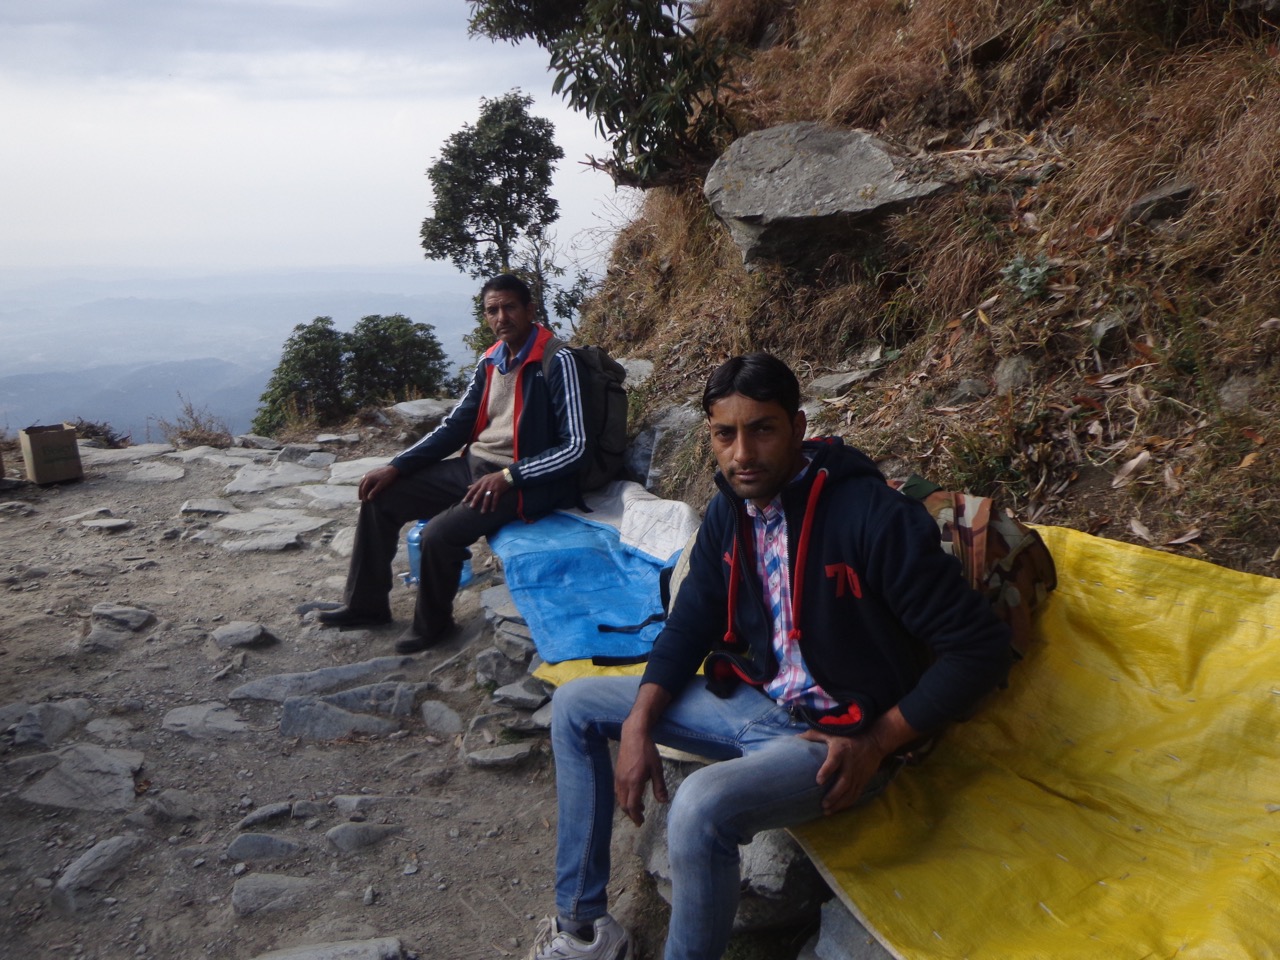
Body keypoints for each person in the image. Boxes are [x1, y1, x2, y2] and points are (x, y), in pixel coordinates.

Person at [529, 353, 1012, 960]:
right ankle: (583, 928)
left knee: (699, 808)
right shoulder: (732, 512)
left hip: (837, 738)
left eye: (762, 429)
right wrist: (638, 723)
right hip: (756, 702)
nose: (742, 454)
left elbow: (978, 649)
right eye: (724, 434)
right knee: (575, 704)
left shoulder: (870, 517)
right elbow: (691, 622)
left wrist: (879, 742)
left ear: (798, 427)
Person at [317, 273, 586, 654]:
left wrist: (511, 475)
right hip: (476, 467)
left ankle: (434, 625)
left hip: (522, 482)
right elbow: (456, 424)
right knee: (381, 497)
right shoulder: (492, 360)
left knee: (437, 535)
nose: (501, 317)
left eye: (509, 307)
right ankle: (366, 605)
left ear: (530, 309)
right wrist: (397, 466)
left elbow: (575, 447)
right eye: (492, 310)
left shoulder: (558, 362)